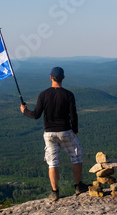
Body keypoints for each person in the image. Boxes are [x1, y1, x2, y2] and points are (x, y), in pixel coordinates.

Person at [20, 66, 88, 201]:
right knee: (77, 156)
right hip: (65, 131)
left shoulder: (43, 95)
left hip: (49, 134)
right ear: (63, 78)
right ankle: (78, 186)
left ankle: (55, 192)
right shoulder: (68, 95)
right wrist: (74, 130)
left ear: (51, 77)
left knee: (52, 162)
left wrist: (24, 111)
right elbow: (73, 116)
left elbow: (36, 115)